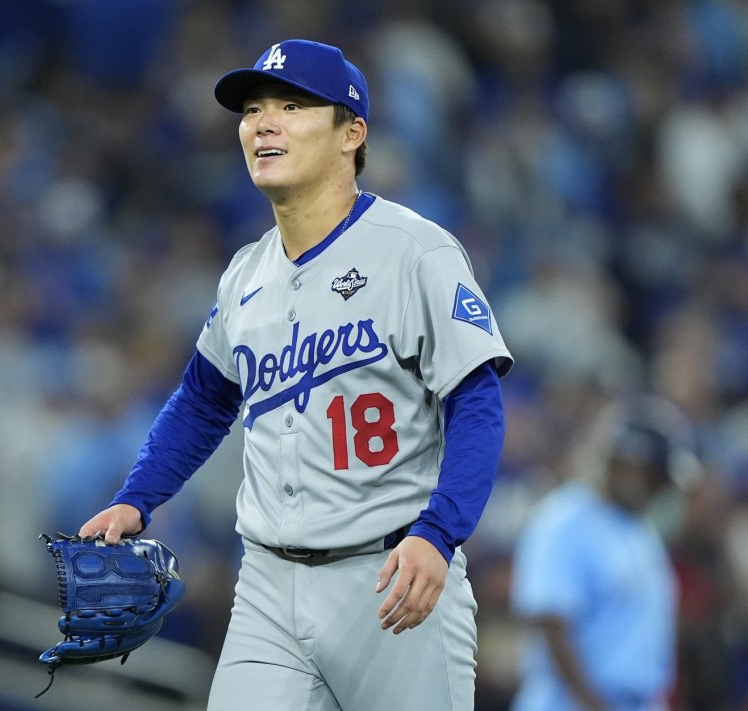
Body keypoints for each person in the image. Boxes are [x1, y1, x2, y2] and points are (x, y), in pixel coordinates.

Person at [78, 39, 513, 710]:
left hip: (390, 574)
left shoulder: (415, 251)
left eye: (291, 106)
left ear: (351, 133)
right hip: (267, 584)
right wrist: (138, 497)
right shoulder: (245, 273)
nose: (264, 123)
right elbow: (203, 401)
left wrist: (439, 532)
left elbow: (477, 402)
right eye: (253, 109)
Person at [509, 394, 701, 711]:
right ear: (625, 465)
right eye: (655, 477)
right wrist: (595, 706)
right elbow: (552, 625)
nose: (660, 491)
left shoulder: (640, 530)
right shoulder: (564, 520)